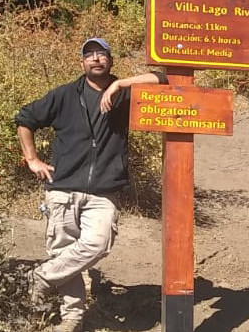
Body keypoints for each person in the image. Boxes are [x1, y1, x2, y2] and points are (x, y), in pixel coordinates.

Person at [15, 37, 167, 332]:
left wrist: (120, 85)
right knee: (65, 254)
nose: (96, 59)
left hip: (103, 191)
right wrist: (31, 159)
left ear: (110, 60)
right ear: (81, 63)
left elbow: (164, 79)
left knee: (97, 244)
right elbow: (25, 118)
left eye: (102, 54)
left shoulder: (124, 94)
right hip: (62, 187)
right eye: (90, 55)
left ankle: (43, 276)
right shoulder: (65, 95)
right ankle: (72, 317)